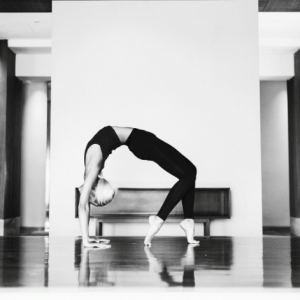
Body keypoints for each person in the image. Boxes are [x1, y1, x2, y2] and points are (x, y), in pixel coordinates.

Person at [78, 126, 199, 248]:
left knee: (190, 172)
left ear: (92, 193)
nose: (92, 203)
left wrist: (85, 241)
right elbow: (85, 205)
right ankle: (176, 219)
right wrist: (86, 238)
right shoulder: (90, 171)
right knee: (188, 174)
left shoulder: (93, 166)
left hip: (140, 141)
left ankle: (172, 220)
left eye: (96, 203)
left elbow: (83, 205)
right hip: (140, 140)